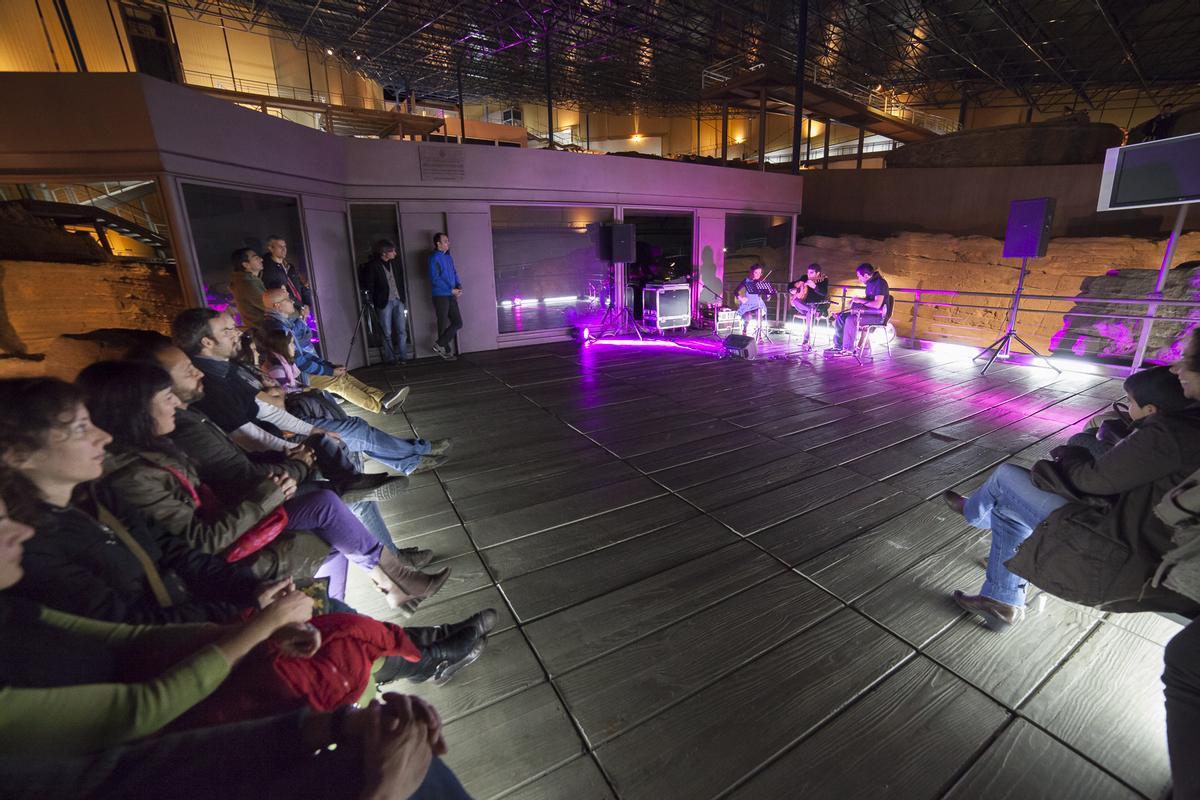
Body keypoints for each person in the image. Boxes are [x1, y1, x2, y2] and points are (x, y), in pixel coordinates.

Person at [0, 495, 476, 800]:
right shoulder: (48, 550)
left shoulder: (96, 506)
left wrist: (330, 724)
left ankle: (412, 638)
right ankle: (415, 639)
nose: (19, 530)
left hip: (174, 671)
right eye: (78, 426)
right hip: (156, 716)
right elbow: (130, 721)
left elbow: (129, 634)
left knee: (329, 614)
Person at [0, 375, 450, 615]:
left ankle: (392, 583)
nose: (180, 394)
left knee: (332, 479)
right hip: (233, 541)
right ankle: (395, 592)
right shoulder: (121, 481)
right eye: (80, 428)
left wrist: (285, 469)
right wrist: (279, 481)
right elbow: (186, 560)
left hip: (244, 516)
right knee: (331, 488)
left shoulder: (103, 495)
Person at [942, 327, 1200, 629]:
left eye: (1188, 359)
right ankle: (1001, 598)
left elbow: (1090, 481)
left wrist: (1072, 452)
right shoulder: (1185, 425)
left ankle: (975, 513)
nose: (1176, 366)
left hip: (1121, 543)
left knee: (1005, 479)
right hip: (1148, 533)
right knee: (1008, 507)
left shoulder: (1172, 434)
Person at [255, 329, 450, 476]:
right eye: (291, 344)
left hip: (305, 409)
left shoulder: (282, 364)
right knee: (360, 431)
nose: (294, 347)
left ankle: (410, 460)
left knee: (360, 434)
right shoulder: (276, 369)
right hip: (301, 416)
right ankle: (419, 450)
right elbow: (285, 396)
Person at [260, 291, 410, 414]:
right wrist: (329, 370)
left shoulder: (280, 324)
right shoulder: (278, 328)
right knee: (337, 381)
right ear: (277, 306)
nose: (292, 301)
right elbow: (300, 361)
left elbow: (301, 354)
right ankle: (381, 406)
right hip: (296, 378)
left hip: (298, 371)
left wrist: (329, 366)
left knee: (342, 375)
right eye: (287, 299)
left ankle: (382, 398)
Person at [1065, 365, 1192, 457]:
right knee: (1100, 423)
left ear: (1150, 410)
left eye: (1130, 401)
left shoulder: (1151, 443)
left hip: (1116, 475)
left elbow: (1101, 476)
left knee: (1079, 437)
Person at [360, 239, 410, 365]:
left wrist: (402, 296)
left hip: (398, 299)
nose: (394, 253)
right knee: (386, 331)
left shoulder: (396, 264)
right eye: (391, 251)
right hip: (384, 301)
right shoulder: (373, 265)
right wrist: (373, 297)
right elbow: (369, 284)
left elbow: (400, 280)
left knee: (402, 330)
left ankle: (403, 356)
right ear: (384, 253)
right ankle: (390, 358)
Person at [827, 263, 889, 357]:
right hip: (868, 313)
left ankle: (848, 350)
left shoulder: (880, 283)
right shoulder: (870, 283)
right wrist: (856, 301)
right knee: (842, 317)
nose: (859, 279)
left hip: (877, 316)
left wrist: (860, 300)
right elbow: (868, 300)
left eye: (859, 276)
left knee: (851, 320)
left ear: (866, 275)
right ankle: (838, 346)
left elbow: (877, 304)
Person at [261, 235, 313, 318]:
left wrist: (307, 304)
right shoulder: (269, 270)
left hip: (301, 310)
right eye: (280, 247)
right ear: (271, 248)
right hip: (290, 313)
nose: (284, 249)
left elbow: (300, 285)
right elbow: (282, 295)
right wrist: (301, 307)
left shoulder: (288, 266)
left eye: (285, 246)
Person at [429, 233, 462, 360]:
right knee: (442, 323)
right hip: (440, 295)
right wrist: (450, 290)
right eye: (445, 241)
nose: (448, 243)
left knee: (458, 322)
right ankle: (446, 351)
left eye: (448, 241)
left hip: (451, 294)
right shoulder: (433, 258)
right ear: (438, 244)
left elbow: (454, 272)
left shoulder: (448, 258)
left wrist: (459, 286)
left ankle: (439, 345)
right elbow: (434, 279)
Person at [788, 263, 830, 349]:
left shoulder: (823, 280)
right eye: (808, 272)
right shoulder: (805, 277)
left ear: (817, 274)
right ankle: (811, 311)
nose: (808, 274)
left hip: (815, 305)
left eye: (811, 273)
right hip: (804, 305)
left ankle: (806, 340)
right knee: (795, 300)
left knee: (809, 313)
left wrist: (814, 286)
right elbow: (791, 285)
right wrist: (792, 289)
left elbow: (824, 292)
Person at [229, 248, 269, 327]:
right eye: (256, 258)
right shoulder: (247, 284)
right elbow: (270, 307)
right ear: (246, 265)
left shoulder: (252, 280)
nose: (261, 259)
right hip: (264, 331)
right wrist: (297, 313)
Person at [734, 264, 775, 335]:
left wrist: (768, 294)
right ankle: (744, 329)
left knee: (759, 314)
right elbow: (735, 291)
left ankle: (759, 333)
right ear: (751, 272)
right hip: (748, 303)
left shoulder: (761, 282)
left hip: (757, 303)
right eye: (756, 272)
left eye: (759, 273)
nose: (757, 275)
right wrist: (740, 298)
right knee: (748, 316)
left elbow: (766, 298)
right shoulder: (746, 281)